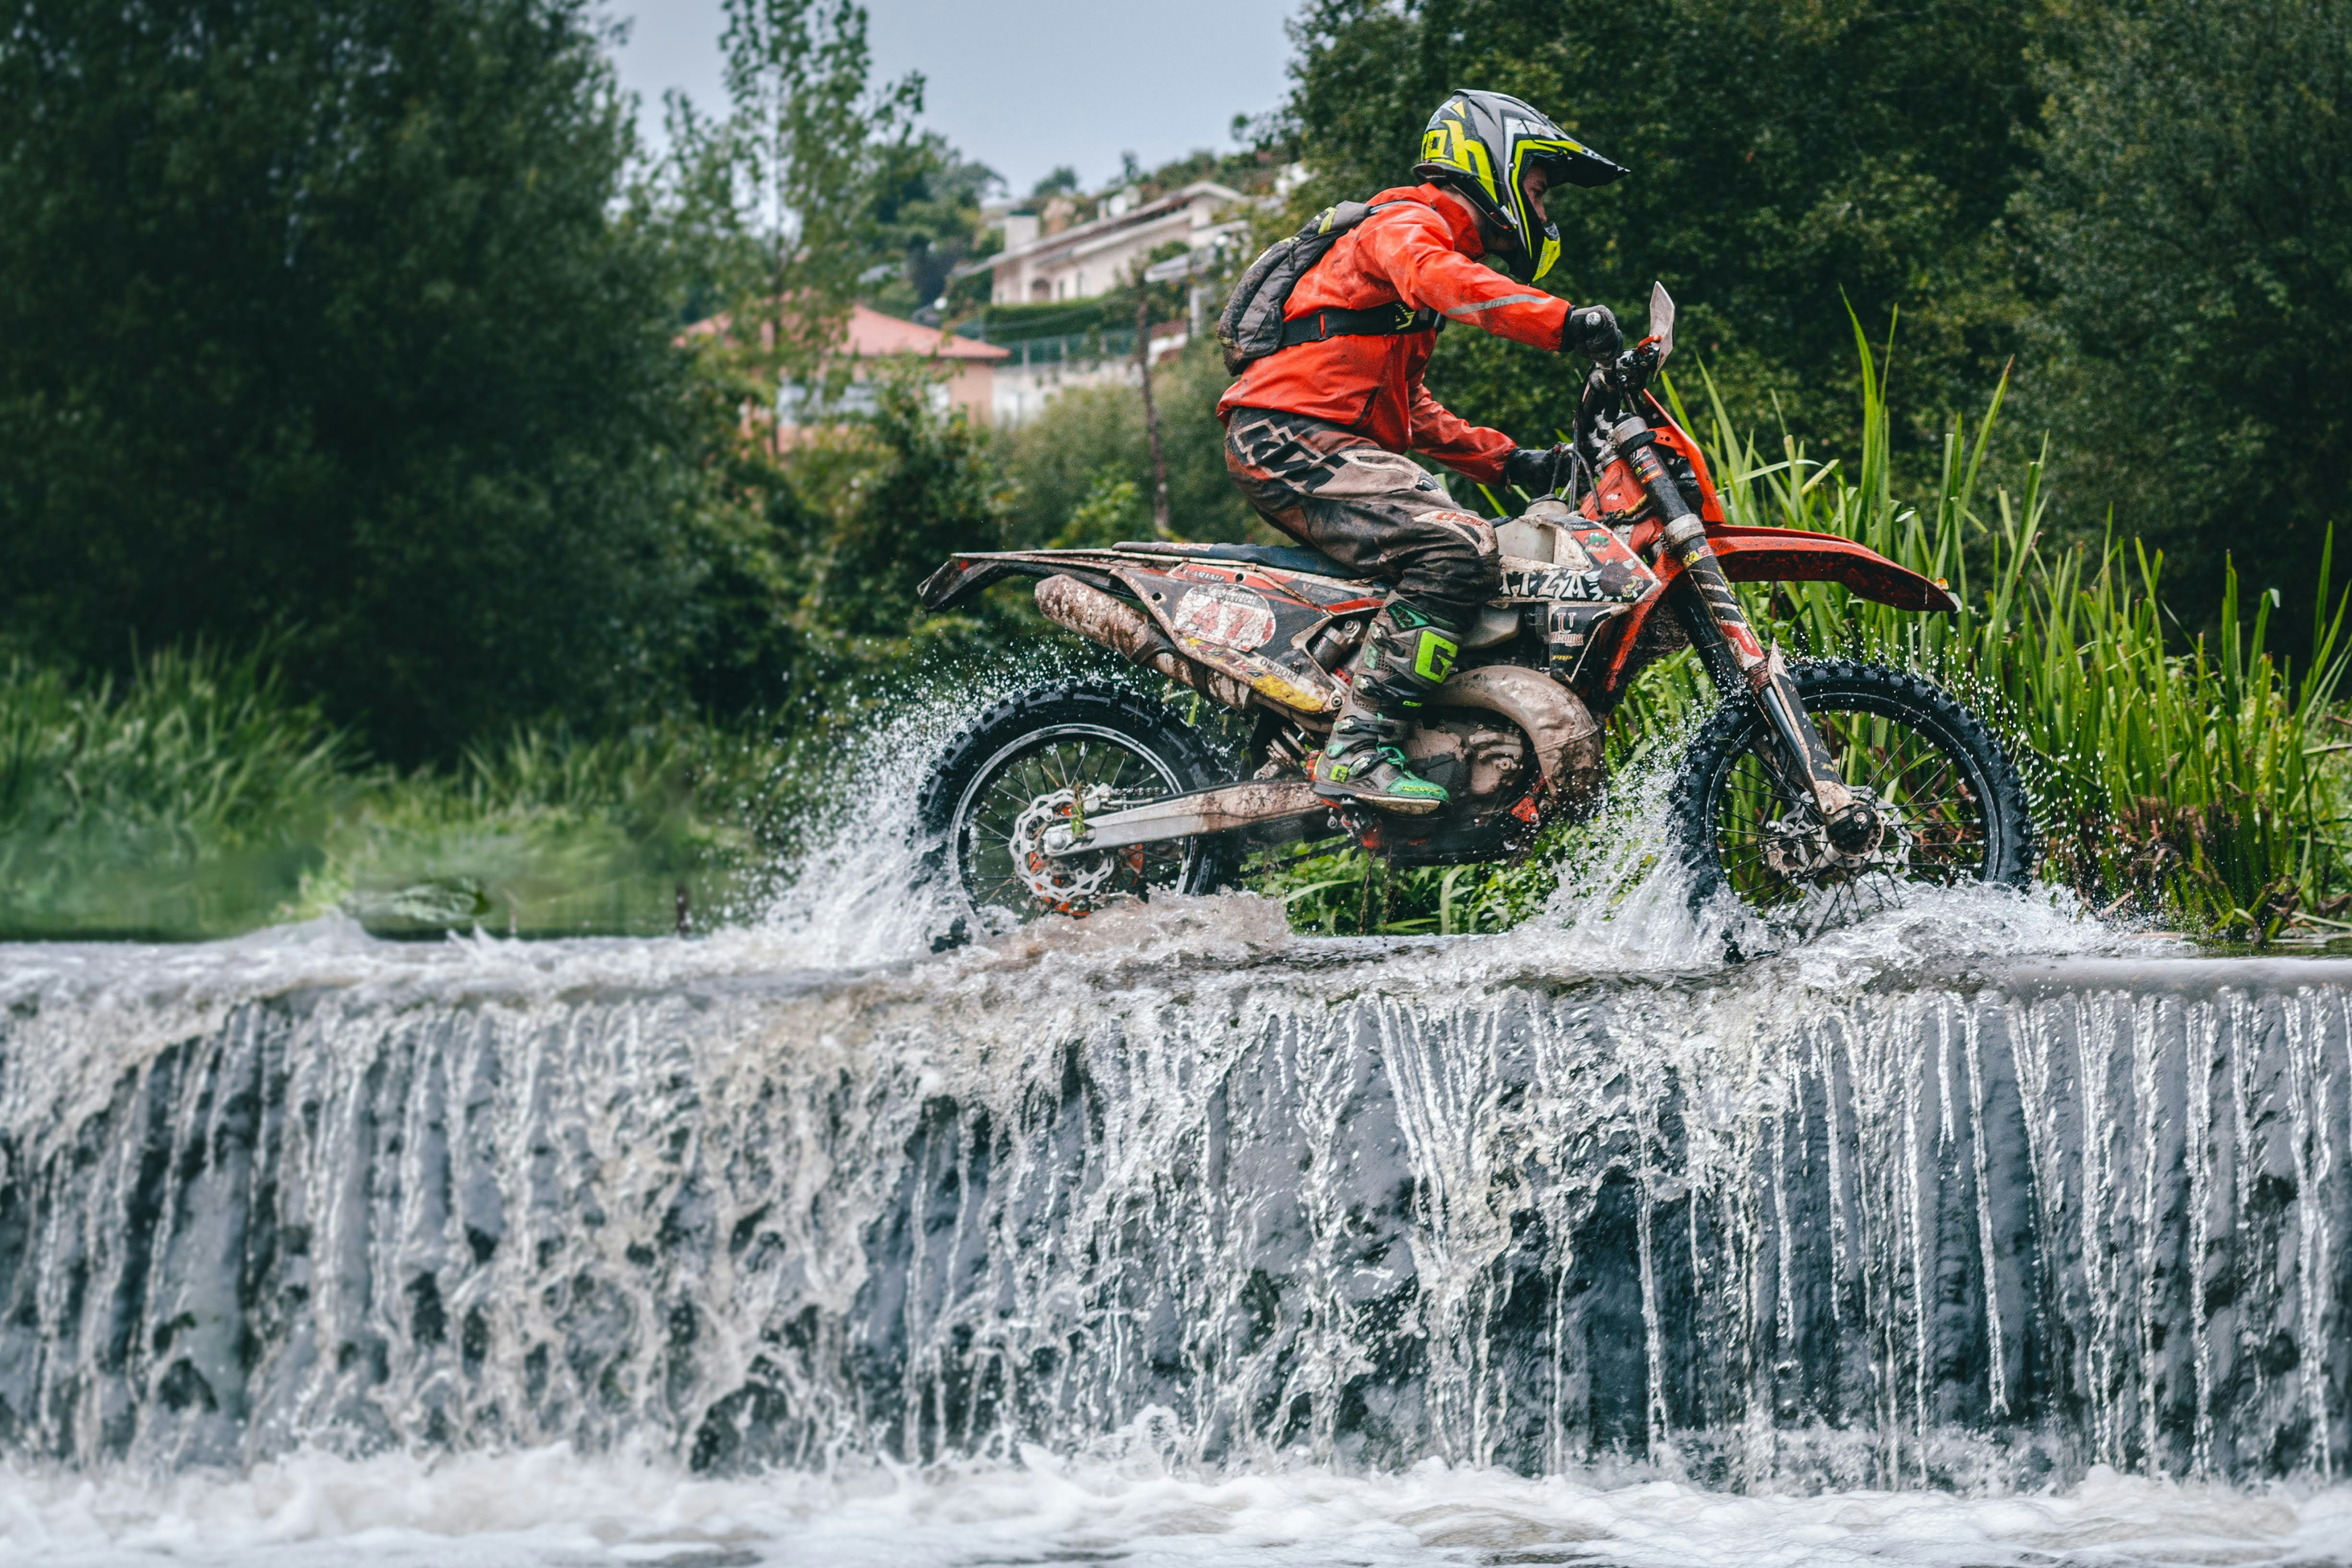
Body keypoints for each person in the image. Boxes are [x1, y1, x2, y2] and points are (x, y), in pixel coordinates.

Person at [1218, 90, 1628, 814]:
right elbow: (1441, 278)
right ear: (1490, 161)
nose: (1541, 208)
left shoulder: (1414, 261)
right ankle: (1358, 746)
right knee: (1458, 546)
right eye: (1536, 187)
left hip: (1316, 437)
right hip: (1287, 435)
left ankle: (1397, 730)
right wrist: (1562, 323)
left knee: (1465, 544)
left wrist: (1507, 461)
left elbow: (1409, 410)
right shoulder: (1405, 224)